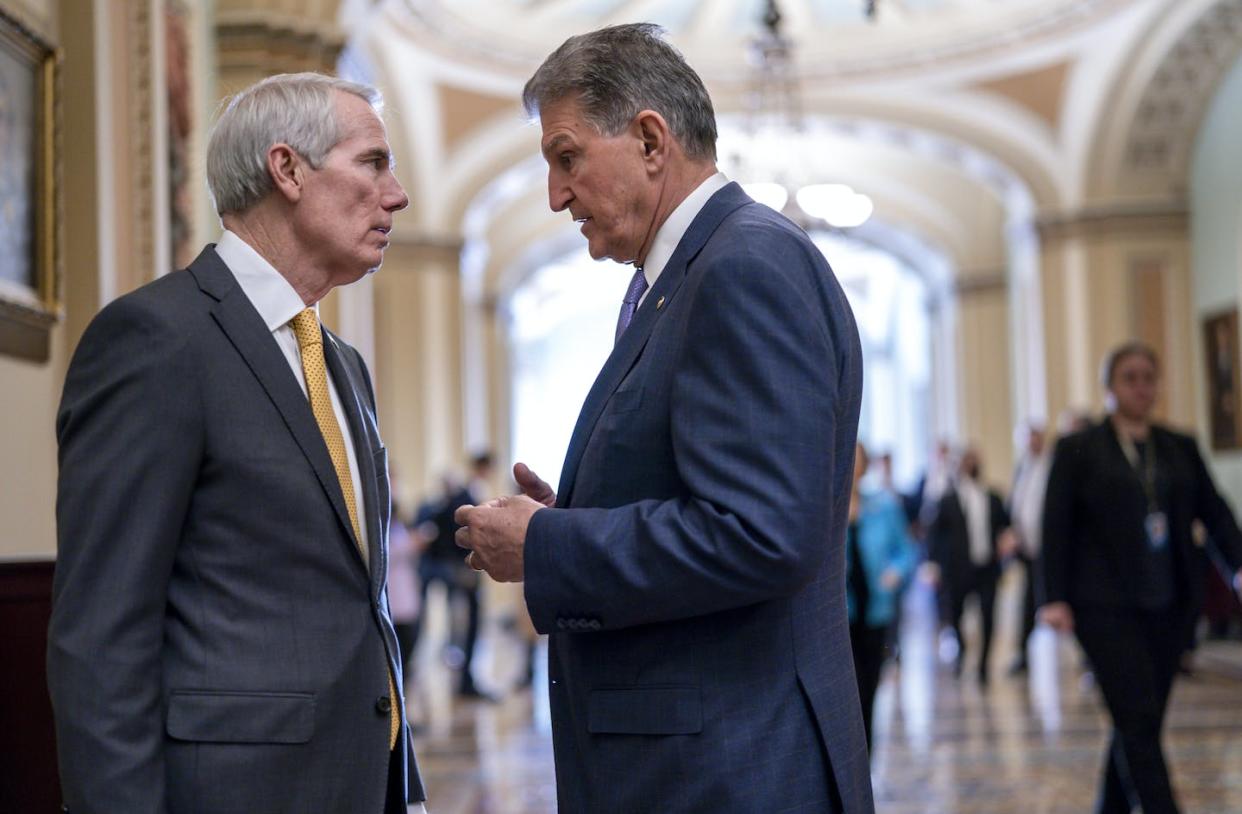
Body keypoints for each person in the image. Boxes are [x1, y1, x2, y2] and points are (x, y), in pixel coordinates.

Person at [454, 23, 871, 814]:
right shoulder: (687, 274)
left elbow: (762, 535)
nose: (555, 194)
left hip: (729, 771)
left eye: (567, 156)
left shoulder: (743, 266)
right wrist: (571, 518)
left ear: (650, 139)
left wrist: (550, 544)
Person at [48, 73, 426, 814]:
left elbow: (354, 600)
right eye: (373, 163)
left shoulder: (341, 364)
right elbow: (101, 636)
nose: (398, 194)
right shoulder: (157, 340)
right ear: (287, 169)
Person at [1040, 341, 1242, 814]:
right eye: (1130, 377)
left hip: (1170, 603)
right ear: (1109, 386)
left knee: (1139, 721)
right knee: (1137, 716)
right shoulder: (1078, 449)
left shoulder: (1179, 447)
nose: (1141, 387)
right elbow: (1056, 526)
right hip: (1102, 606)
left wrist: (1237, 565)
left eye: (1149, 377)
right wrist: (1053, 597)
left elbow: (1214, 512)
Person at [847, 443, 917, 750]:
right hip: (839, 615)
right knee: (845, 695)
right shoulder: (825, 508)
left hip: (874, 610)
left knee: (869, 690)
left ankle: (866, 761)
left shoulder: (883, 505)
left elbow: (906, 551)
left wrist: (895, 572)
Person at [928, 447, 1011, 684]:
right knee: (955, 615)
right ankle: (962, 651)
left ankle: (984, 665)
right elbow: (935, 535)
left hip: (987, 567)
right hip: (957, 570)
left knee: (988, 616)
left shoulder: (992, 497)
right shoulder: (947, 500)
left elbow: (1006, 525)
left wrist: (1007, 538)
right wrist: (933, 565)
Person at [1006, 421, 1050, 675]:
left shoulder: (1050, 465)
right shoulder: (1023, 468)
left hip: (1047, 548)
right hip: (1027, 548)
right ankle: (1023, 653)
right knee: (1028, 601)